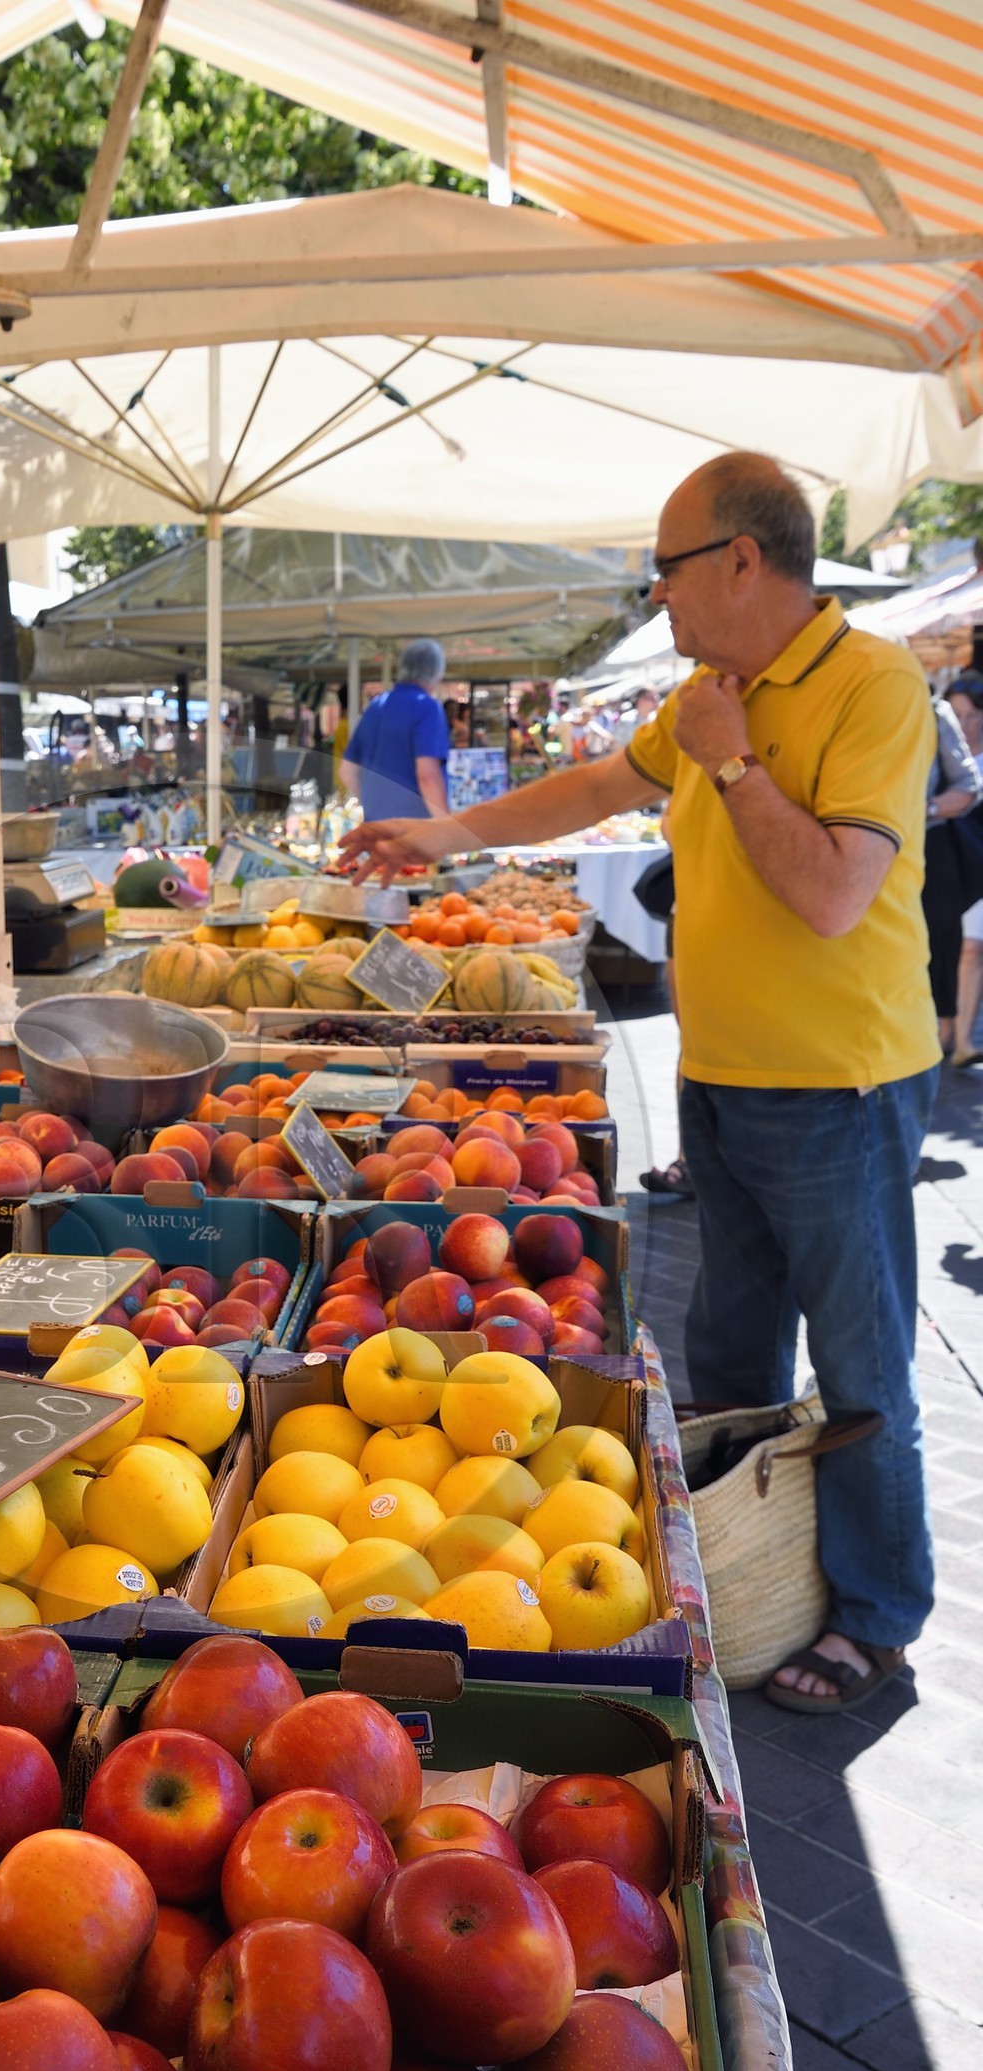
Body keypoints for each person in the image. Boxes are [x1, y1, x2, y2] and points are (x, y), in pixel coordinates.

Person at [340, 451, 940, 1719]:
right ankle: (744, 1558)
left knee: (863, 1359)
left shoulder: (871, 686)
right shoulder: (712, 691)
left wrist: (731, 764)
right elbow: (597, 788)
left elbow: (837, 894)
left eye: (665, 570)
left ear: (737, 559)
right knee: (731, 1346)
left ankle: (880, 1616)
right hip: (721, 1076)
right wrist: (437, 836)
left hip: (838, 1087)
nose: (654, 598)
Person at [919, 690, 983, 1055]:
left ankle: (955, 1037)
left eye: (971, 714)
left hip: (936, 852)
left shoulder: (931, 710)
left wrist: (922, 809)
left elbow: (966, 786)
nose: (967, 722)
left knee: (959, 947)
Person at [338, 638, 450, 820]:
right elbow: (427, 776)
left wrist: (375, 805)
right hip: (414, 831)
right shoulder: (427, 707)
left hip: (376, 830)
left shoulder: (374, 707)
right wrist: (447, 827)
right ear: (437, 672)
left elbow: (347, 772)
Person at [942, 672, 983, 1067]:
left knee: (970, 949)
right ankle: (947, 1029)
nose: (963, 724)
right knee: (955, 948)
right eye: (955, 715)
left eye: (969, 715)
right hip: (949, 867)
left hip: (975, 867)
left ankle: (963, 1037)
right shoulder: (942, 753)